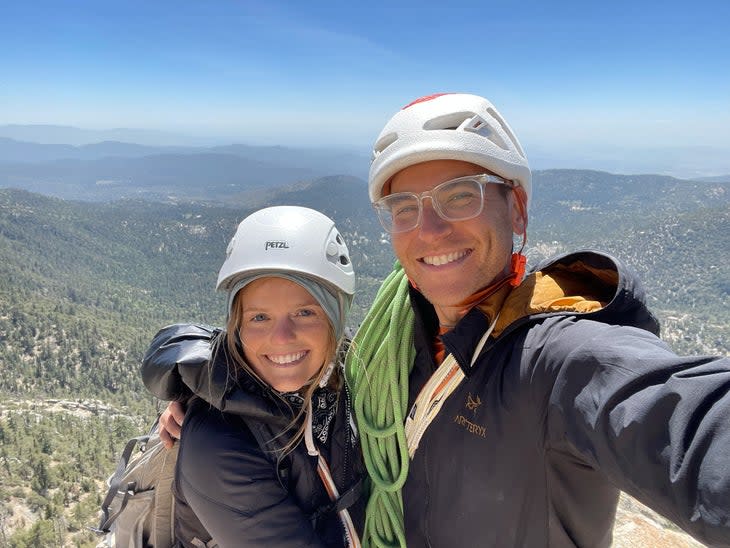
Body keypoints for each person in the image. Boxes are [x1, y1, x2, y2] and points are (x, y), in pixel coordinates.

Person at [149, 93, 730, 548]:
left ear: (517, 205)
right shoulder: (394, 352)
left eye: (461, 196)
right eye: (406, 209)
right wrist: (199, 380)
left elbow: (688, 421)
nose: (429, 230)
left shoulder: (557, 359)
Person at [142, 206, 365, 547]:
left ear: (335, 319)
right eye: (260, 317)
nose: (281, 338)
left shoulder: (347, 372)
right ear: (238, 327)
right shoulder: (218, 444)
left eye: (305, 312)